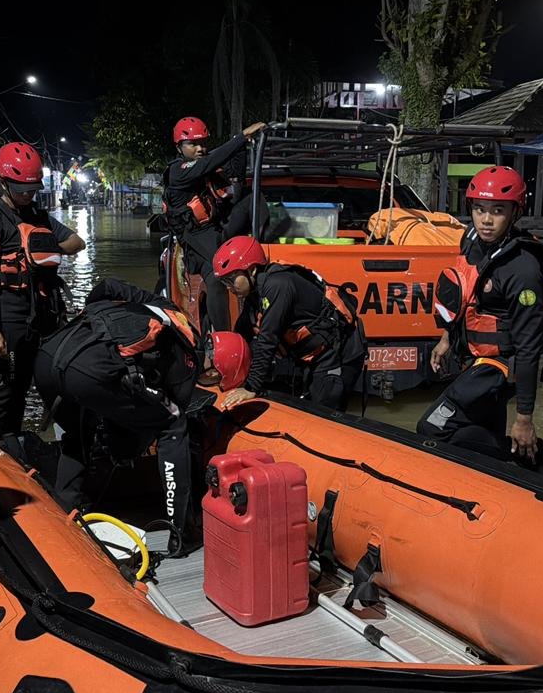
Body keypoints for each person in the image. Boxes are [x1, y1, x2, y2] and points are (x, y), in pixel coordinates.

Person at [32, 277, 202, 535]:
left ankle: (66, 514)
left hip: (49, 357)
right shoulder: (189, 353)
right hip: (90, 370)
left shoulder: (161, 306)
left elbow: (107, 286)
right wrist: (126, 448)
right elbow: (160, 414)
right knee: (173, 423)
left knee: (79, 433)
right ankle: (178, 529)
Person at [416, 166, 543, 467]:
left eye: (498, 211)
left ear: (515, 213)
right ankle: (497, 472)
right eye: (479, 209)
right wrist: (446, 338)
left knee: (431, 428)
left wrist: (524, 419)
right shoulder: (473, 242)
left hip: (500, 366)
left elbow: (529, 349)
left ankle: (527, 455)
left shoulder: (522, 271)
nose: (486, 220)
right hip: (478, 358)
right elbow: (466, 297)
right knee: (482, 427)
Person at [0, 141, 85, 437]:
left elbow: (77, 242)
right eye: (21, 189)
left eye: (32, 189)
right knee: (2, 396)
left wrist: (46, 250)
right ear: (2, 182)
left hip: (41, 322)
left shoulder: (38, 216)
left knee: (34, 390)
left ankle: (22, 448)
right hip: (7, 323)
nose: (28, 195)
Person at [211, 235, 366, 413]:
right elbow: (242, 332)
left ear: (251, 270)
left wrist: (251, 388)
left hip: (338, 354)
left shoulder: (278, 285)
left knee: (323, 412)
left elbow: (267, 339)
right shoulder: (255, 293)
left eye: (231, 279)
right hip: (311, 356)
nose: (228, 287)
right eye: (224, 282)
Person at [161, 117, 267, 332]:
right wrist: (241, 137)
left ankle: (265, 249)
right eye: (193, 144)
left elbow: (234, 172)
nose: (200, 149)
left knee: (253, 198)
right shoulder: (178, 172)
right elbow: (209, 161)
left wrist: (241, 147)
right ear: (179, 147)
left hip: (218, 229)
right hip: (196, 239)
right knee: (216, 278)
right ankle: (223, 336)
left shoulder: (208, 167)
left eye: (203, 143)